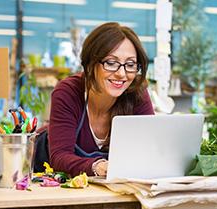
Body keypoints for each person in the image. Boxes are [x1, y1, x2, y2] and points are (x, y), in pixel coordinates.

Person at [48, 22, 155, 177]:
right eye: (111, 63)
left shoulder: (136, 93)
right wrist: (97, 166)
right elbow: (59, 157)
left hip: (114, 191)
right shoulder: (68, 92)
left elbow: (149, 150)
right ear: (91, 63)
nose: (122, 74)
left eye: (130, 64)